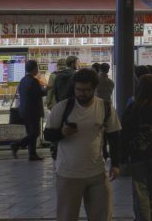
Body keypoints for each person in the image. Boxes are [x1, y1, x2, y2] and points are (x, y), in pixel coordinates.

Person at [44, 67, 121, 221]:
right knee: (67, 216)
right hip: (68, 173)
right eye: (78, 89)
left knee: (102, 216)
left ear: (94, 88)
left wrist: (116, 164)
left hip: (97, 173)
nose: (81, 93)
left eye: (86, 90)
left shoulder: (105, 108)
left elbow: (115, 137)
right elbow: (47, 135)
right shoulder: (62, 107)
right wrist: (62, 133)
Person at [121, 74, 152, 221]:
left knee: (140, 191)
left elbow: (124, 133)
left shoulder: (133, 107)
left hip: (137, 156)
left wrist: (123, 156)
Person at [11, 59, 46, 160]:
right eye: (37, 68)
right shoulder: (33, 81)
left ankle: (32, 154)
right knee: (35, 133)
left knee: (31, 133)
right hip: (32, 111)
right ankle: (16, 144)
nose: (37, 70)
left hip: (24, 111)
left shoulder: (23, 80)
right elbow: (39, 93)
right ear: (34, 69)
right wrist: (48, 89)